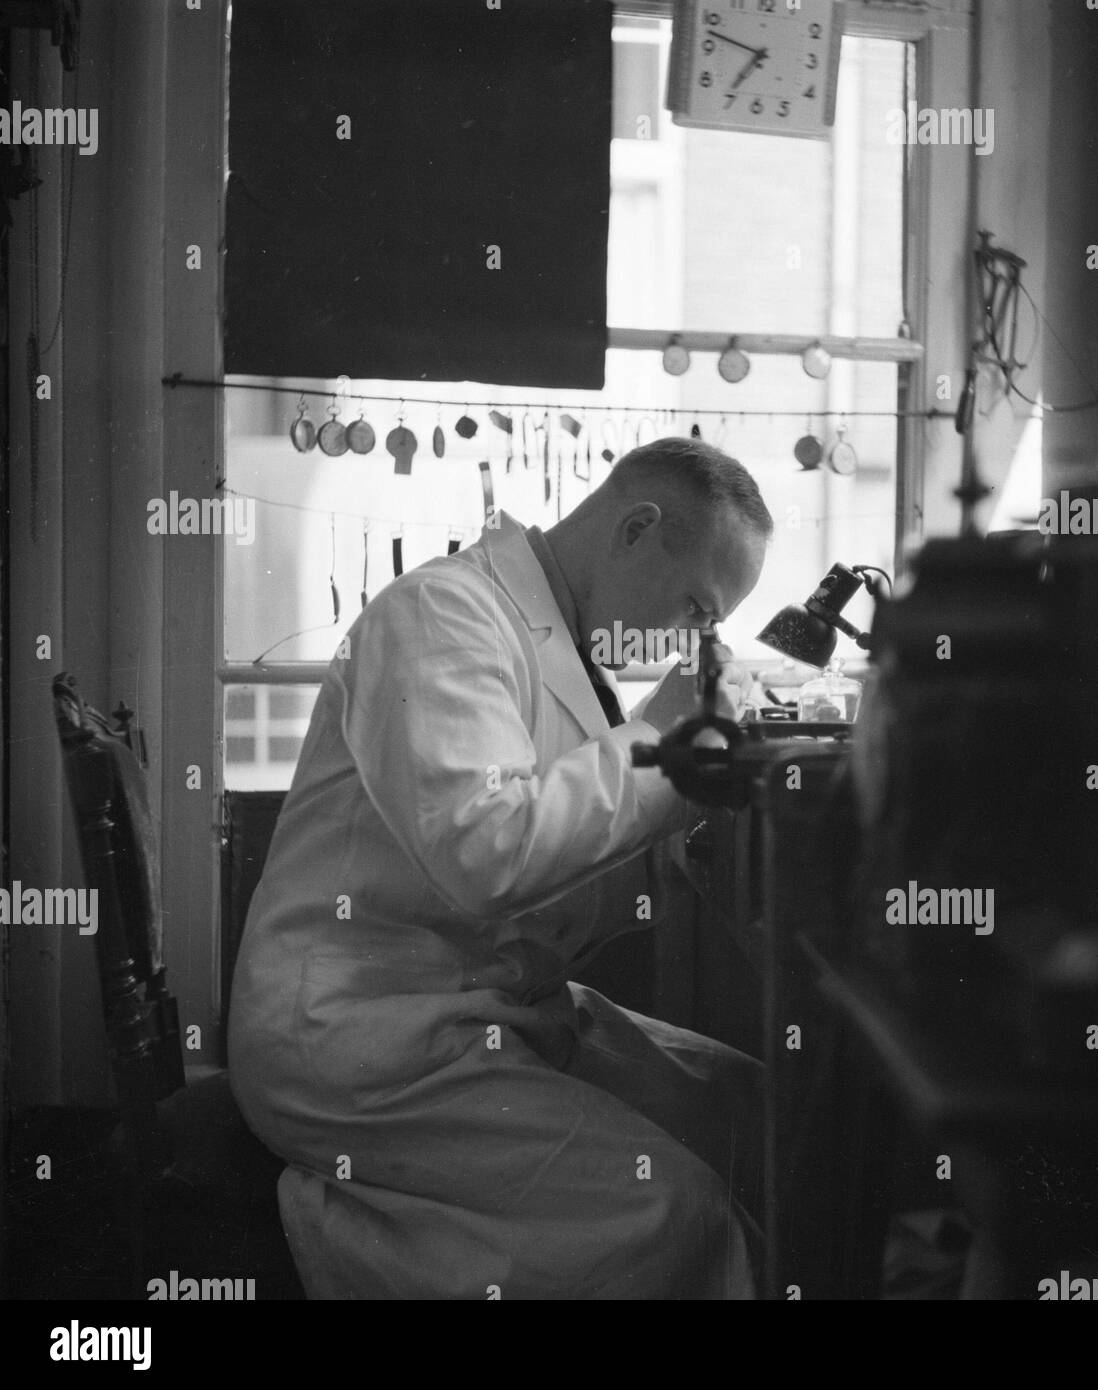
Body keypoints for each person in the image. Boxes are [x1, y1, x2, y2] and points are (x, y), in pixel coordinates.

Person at [229, 436, 773, 1299]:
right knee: (677, 1210)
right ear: (636, 528)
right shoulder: (443, 616)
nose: (695, 642)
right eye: (696, 610)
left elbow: (571, 847)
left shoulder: (556, 641)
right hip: (359, 1035)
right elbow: (488, 853)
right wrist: (664, 745)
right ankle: (345, 1222)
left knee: (751, 1111)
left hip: (484, 1007)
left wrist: (695, 774)